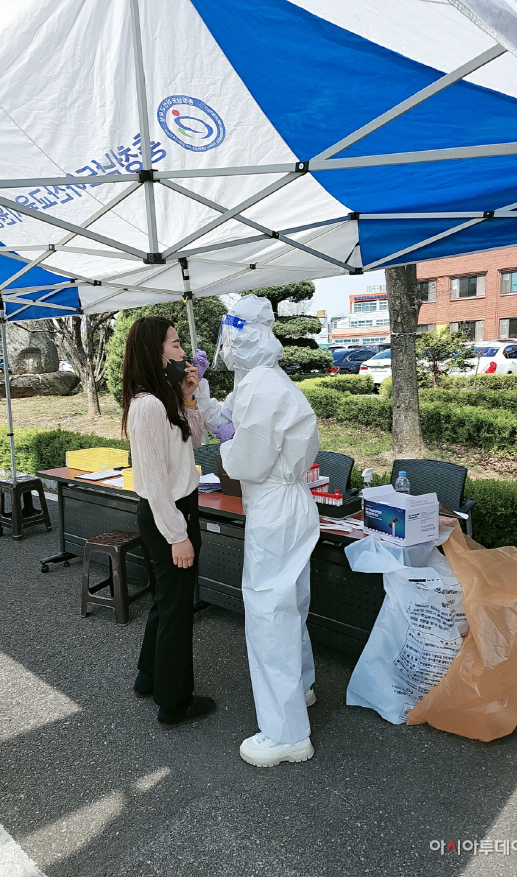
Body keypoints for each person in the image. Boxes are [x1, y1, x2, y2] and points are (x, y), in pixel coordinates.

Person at [194, 295, 320, 767]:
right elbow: (224, 421)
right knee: (291, 604)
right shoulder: (262, 382)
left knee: (269, 615)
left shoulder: (263, 388)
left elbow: (245, 456)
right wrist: (202, 394)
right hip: (286, 502)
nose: (225, 348)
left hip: (274, 504)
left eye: (229, 337)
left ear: (241, 338)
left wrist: (229, 443)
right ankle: (301, 687)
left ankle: (285, 733)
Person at [122, 316, 216, 728]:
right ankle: (174, 701)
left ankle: (149, 675)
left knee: (166, 600)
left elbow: (194, 442)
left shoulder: (167, 398)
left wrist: (190, 396)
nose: (183, 352)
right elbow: (156, 482)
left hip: (177, 510)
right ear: (154, 351)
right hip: (169, 514)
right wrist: (177, 535)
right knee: (178, 610)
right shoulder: (147, 405)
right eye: (175, 345)